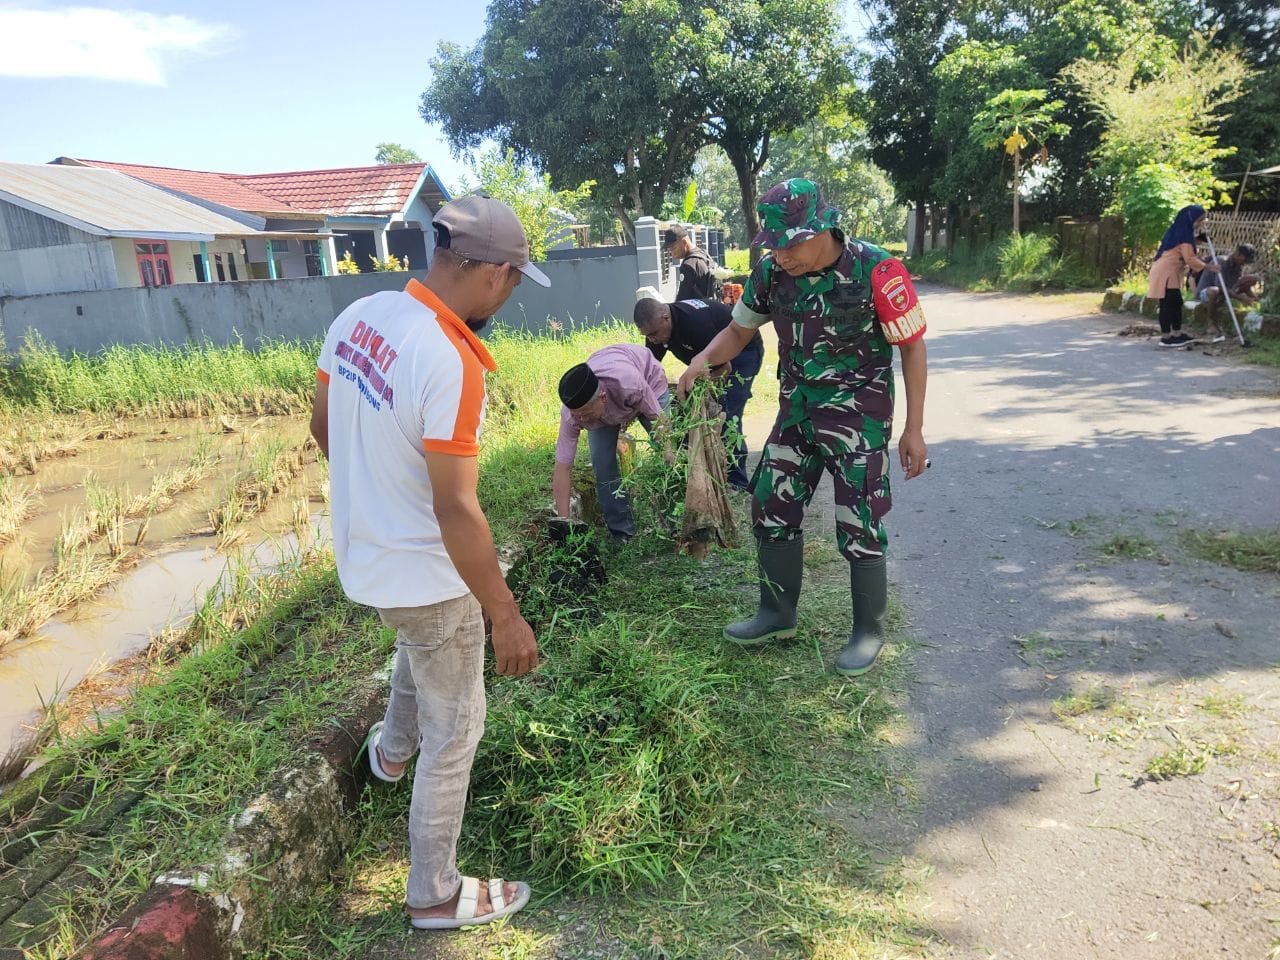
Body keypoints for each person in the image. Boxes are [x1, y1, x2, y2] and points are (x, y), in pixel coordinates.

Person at [309, 195, 545, 931]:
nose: (509, 296)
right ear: (494, 274)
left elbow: (322, 426)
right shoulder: (451, 361)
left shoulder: (361, 316)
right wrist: (505, 615)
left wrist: (379, 497)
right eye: (514, 282)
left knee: (421, 650)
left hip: (368, 559)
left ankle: (388, 753)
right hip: (429, 578)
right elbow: (457, 509)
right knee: (458, 728)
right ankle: (434, 893)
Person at [677, 178, 928, 677]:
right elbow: (738, 330)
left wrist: (913, 429)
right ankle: (776, 613)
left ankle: (868, 630)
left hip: (859, 417)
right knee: (770, 502)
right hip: (797, 412)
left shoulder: (878, 269)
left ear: (823, 229)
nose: (782, 254)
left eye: (790, 243)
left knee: (860, 522)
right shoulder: (771, 272)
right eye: (773, 244)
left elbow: (912, 346)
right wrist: (703, 359)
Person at [634, 296, 764, 490]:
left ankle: (737, 483)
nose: (652, 339)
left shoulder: (695, 325)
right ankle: (699, 475)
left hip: (742, 352)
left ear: (665, 318)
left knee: (727, 413)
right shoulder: (656, 331)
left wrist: (697, 392)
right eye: (647, 335)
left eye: (654, 333)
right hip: (712, 357)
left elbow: (724, 368)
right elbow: (650, 370)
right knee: (694, 412)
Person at [552, 344, 670, 542]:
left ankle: (677, 522)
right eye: (578, 416)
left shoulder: (630, 384)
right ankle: (622, 533)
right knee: (603, 466)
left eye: (586, 415)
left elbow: (660, 422)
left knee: (667, 454)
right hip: (609, 386)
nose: (583, 421)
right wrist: (564, 522)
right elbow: (562, 468)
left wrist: (668, 452)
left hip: (649, 381)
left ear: (603, 397)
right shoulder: (571, 416)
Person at [1147, 205, 1218, 348]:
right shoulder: (1185, 236)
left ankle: (1177, 334)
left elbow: (1182, 248)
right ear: (1190, 219)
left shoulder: (1178, 231)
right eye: (1199, 220)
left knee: (1175, 302)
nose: (1200, 224)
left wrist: (1200, 239)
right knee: (1168, 303)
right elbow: (1189, 258)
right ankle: (1166, 338)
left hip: (1167, 270)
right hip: (1166, 271)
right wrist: (1208, 266)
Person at [1196, 242, 1259, 341]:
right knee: (1214, 291)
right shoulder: (1221, 262)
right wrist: (1239, 297)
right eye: (1244, 260)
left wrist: (1251, 297)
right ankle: (1211, 324)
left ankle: (1254, 301)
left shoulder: (1238, 267)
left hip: (1224, 293)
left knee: (1250, 279)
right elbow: (1220, 287)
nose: (1245, 263)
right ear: (1237, 254)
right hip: (1207, 293)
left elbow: (1236, 285)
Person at [664, 224, 721, 301]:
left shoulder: (688, 265)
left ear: (684, 242)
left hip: (699, 308)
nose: (672, 253)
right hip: (711, 305)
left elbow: (682, 300)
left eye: (673, 248)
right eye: (670, 250)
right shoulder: (703, 254)